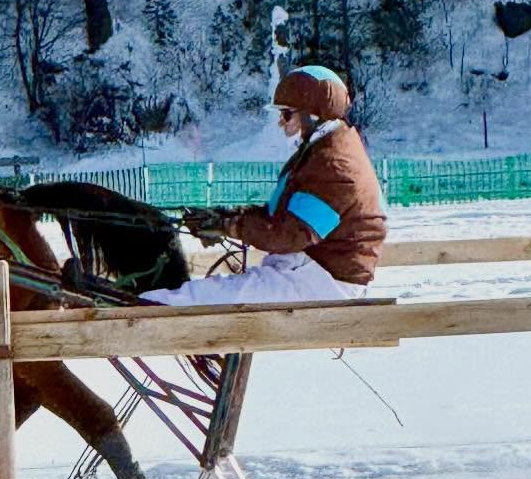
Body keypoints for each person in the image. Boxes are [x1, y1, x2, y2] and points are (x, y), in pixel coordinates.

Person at [142, 65, 386, 306]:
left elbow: (289, 234)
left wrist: (230, 227)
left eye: (287, 114)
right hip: (308, 271)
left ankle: (144, 310)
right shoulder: (320, 151)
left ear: (313, 114)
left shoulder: (336, 166)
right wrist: (223, 216)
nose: (281, 123)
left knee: (191, 300)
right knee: (205, 294)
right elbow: (279, 217)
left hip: (324, 282)